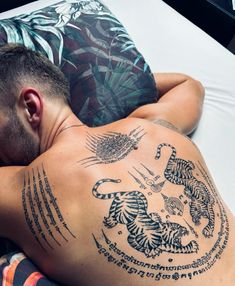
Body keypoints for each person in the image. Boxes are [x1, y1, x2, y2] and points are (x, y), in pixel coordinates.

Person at [0, 44, 234, 286]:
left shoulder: (22, 189)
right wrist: (96, 87)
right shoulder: (152, 127)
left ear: (31, 106)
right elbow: (189, 85)